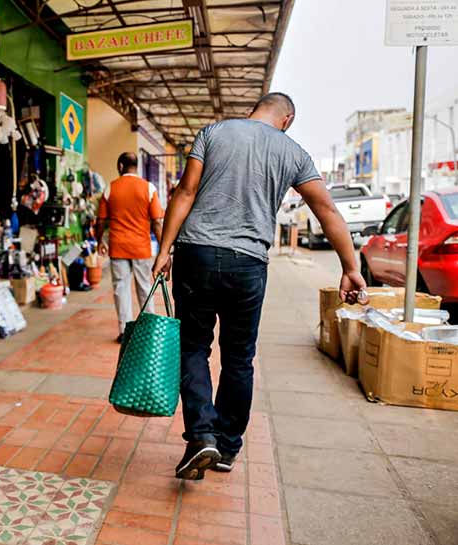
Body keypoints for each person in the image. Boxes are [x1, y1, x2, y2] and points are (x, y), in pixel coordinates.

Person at [153, 93, 366, 480]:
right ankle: (227, 445)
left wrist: (164, 250)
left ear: (257, 109)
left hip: (196, 254)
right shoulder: (293, 152)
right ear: (287, 119)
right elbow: (326, 209)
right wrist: (350, 267)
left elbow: (184, 193)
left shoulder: (214, 133)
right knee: (238, 358)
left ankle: (201, 435)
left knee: (194, 347)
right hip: (248, 264)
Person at [96, 152, 164, 342]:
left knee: (121, 288)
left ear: (120, 166)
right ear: (137, 166)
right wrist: (164, 249)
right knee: (144, 287)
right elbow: (157, 222)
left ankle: (124, 331)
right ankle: (149, 330)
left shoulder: (110, 188)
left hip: (117, 247)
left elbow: (101, 221)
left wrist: (99, 240)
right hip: (141, 248)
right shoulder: (148, 188)